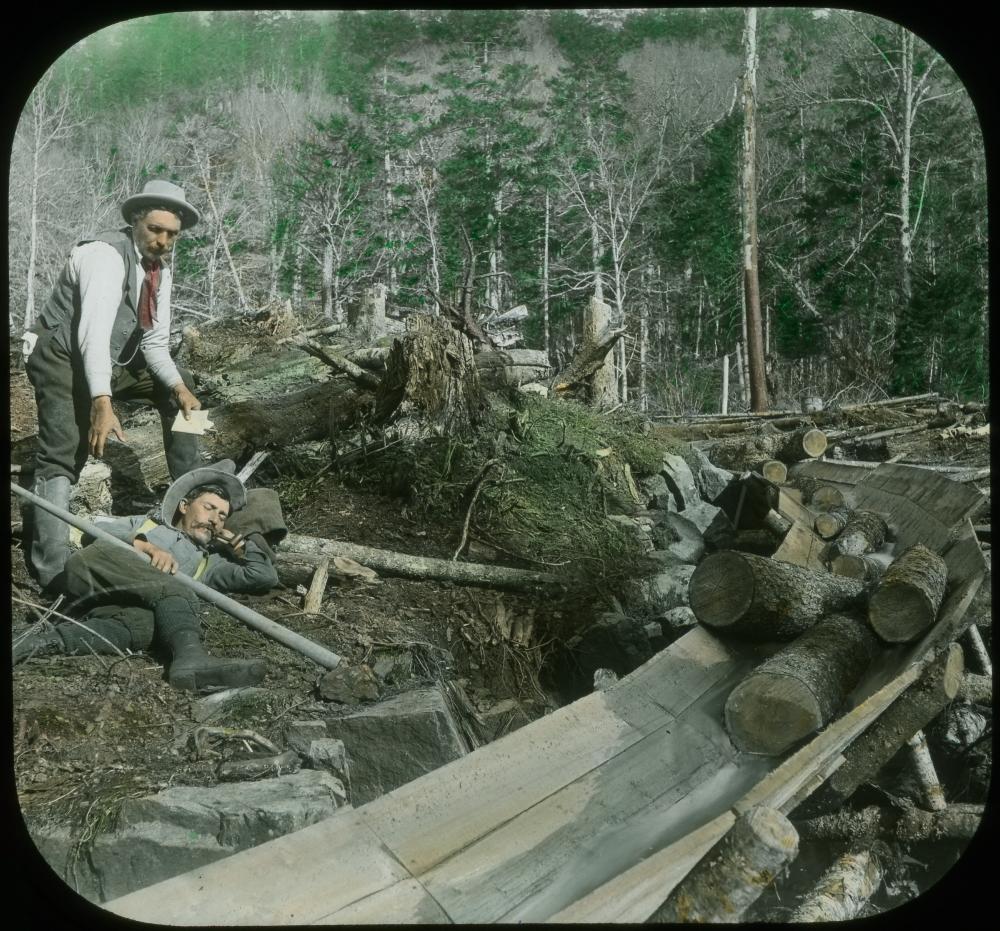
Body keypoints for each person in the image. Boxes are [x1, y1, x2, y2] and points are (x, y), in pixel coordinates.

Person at [23, 179, 205, 590]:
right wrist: (102, 405)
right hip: (62, 355)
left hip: (112, 357)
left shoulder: (160, 272)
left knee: (188, 392)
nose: (161, 240)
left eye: (171, 234)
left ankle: (193, 494)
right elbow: (92, 333)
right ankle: (53, 573)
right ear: (136, 222)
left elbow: (156, 344)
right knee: (62, 454)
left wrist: (179, 389)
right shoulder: (104, 255)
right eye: (154, 229)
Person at [13, 462, 279, 692]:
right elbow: (92, 531)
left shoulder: (207, 563)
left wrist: (241, 544)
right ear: (185, 506)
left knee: (147, 622)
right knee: (173, 586)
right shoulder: (145, 524)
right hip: (92, 573)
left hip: (111, 606)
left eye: (222, 516)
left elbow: (262, 576)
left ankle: (42, 643)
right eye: (209, 508)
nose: (215, 520)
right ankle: (192, 656)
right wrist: (144, 545)